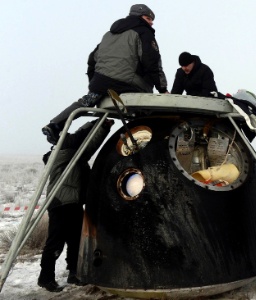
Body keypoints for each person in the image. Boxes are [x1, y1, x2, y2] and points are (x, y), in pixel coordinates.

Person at [42, 4, 168, 145]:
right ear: (139, 17)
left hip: (102, 83)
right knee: (148, 110)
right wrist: (162, 89)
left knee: (86, 102)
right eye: (148, 18)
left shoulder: (109, 35)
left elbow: (92, 59)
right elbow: (152, 62)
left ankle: (54, 125)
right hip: (128, 85)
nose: (151, 22)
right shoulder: (144, 32)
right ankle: (149, 135)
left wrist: (94, 84)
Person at [38, 119, 114, 292]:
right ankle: (45, 277)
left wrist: (103, 129)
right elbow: (85, 143)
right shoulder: (61, 155)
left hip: (74, 203)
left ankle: (74, 272)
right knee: (55, 242)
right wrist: (99, 124)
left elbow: (87, 146)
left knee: (75, 241)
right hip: (61, 203)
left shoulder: (74, 157)